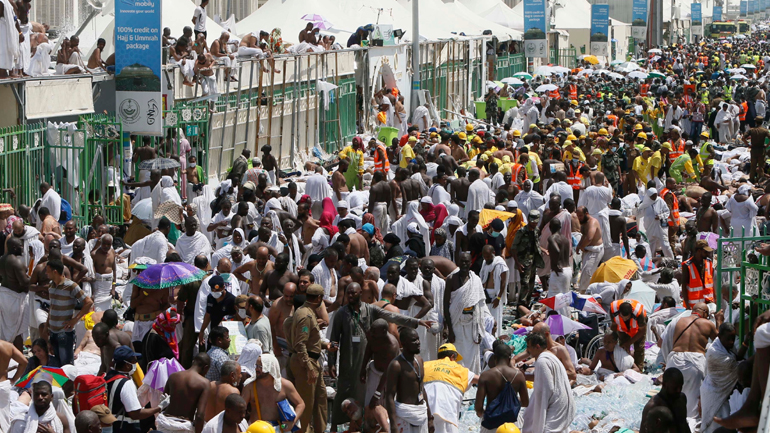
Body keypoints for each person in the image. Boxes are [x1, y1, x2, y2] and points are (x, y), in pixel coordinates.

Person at [288, 284, 335, 433]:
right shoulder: (305, 315)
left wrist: (326, 345)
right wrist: (309, 367)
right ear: (319, 298)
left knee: (321, 400)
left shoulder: (308, 312)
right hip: (306, 364)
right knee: (306, 405)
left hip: (313, 362)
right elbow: (300, 344)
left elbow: (310, 341)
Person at [667, 302, 722, 424]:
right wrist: (719, 321)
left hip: (674, 359)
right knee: (691, 409)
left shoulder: (679, 321)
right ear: (705, 313)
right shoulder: (707, 323)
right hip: (694, 362)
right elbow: (720, 342)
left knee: (671, 397)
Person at [444, 252, 490, 374]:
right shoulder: (451, 279)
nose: (464, 264)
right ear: (458, 262)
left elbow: (480, 305)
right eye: (462, 261)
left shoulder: (476, 280)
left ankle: (471, 379)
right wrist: (449, 329)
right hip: (456, 322)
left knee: (472, 353)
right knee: (457, 353)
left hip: (472, 324)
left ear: (471, 263)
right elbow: (445, 304)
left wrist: (480, 329)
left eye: (467, 262)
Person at [521, 332, 575, 433]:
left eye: (529, 347)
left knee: (548, 430)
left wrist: (540, 406)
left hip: (556, 403)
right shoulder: (550, 356)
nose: (527, 350)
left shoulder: (543, 361)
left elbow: (548, 387)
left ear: (537, 346)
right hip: (561, 400)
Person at [700, 322, 749, 433]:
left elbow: (736, 358)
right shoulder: (715, 352)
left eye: (733, 338)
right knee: (713, 426)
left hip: (724, 394)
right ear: (719, 337)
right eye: (728, 339)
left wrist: (745, 343)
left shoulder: (726, 347)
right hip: (714, 392)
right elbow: (737, 367)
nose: (731, 342)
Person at [384, 327, 433, 433]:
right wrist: (393, 425)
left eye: (418, 339)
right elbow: (389, 396)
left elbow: (422, 389)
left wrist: (430, 418)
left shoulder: (419, 360)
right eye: (414, 340)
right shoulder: (396, 365)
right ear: (404, 344)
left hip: (421, 413)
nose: (418, 342)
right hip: (405, 415)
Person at [423, 343, 478, 433]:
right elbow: (482, 380)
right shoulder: (459, 369)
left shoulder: (425, 365)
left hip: (426, 411)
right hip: (447, 412)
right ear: (452, 356)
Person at [47, 259, 93, 365]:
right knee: (56, 365)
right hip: (52, 332)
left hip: (64, 333)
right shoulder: (51, 285)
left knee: (66, 366)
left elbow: (89, 302)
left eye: (48, 271)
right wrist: (46, 327)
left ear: (55, 272)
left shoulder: (71, 286)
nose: (46, 273)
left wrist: (75, 320)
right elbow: (52, 307)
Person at [106, 346, 161, 433]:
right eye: (134, 361)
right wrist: (159, 407)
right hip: (123, 429)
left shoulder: (108, 377)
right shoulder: (126, 384)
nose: (136, 364)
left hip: (110, 428)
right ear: (127, 365)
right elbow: (135, 414)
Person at [241, 353, 305, 429]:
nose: (256, 369)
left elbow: (300, 404)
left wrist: (293, 422)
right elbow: (240, 407)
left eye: (260, 367)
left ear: (270, 367)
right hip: (257, 428)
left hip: (280, 428)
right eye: (256, 366)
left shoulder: (285, 385)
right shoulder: (250, 386)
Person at [476, 342, 528, 433]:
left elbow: (478, 407)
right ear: (509, 358)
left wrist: (484, 414)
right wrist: (512, 401)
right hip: (513, 424)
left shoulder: (485, 376)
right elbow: (525, 402)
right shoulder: (519, 375)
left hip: (491, 423)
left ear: (495, 358)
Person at [158, 352, 211, 433]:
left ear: (193, 362)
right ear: (206, 368)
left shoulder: (173, 376)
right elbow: (200, 415)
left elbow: (164, 403)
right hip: (183, 427)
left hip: (164, 423)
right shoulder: (204, 383)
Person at [0, 237, 31, 349]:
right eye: (20, 246)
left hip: (3, 296)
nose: (22, 248)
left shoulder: (2, 259)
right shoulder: (16, 261)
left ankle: (5, 357)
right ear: (14, 247)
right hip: (15, 299)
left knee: (5, 329)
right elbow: (24, 283)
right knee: (18, 331)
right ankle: (18, 359)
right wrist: (34, 278)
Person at [639, 368, 690, 433]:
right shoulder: (652, 406)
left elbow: (684, 425)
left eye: (681, 387)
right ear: (664, 385)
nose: (679, 390)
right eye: (675, 388)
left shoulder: (681, 398)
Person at [511, 210, 543, 307]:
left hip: (533, 261)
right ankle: (521, 306)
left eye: (535, 222)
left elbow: (536, 244)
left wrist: (543, 250)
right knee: (524, 284)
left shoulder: (536, 230)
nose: (534, 223)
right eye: (532, 221)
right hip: (523, 262)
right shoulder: (521, 232)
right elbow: (513, 248)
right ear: (528, 219)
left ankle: (527, 305)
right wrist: (517, 263)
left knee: (531, 284)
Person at [609, 299, 647, 371]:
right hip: (622, 327)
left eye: (626, 317)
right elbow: (614, 325)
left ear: (631, 313)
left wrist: (629, 343)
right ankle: (624, 366)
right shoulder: (613, 310)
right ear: (619, 312)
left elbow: (642, 331)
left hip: (637, 328)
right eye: (622, 317)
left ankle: (639, 369)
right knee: (623, 346)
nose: (624, 319)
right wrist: (613, 338)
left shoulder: (639, 314)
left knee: (639, 347)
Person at [480, 245, 508, 336]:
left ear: (493, 253)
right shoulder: (485, 262)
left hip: (495, 296)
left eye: (488, 256)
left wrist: (499, 297)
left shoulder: (500, 263)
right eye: (484, 256)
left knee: (494, 320)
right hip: (485, 295)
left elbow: (503, 282)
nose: (486, 258)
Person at [638, 188, 674, 258]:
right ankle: (652, 262)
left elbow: (667, 211)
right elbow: (639, 214)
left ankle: (671, 260)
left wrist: (660, 216)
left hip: (660, 227)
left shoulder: (660, 200)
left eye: (655, 195)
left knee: (665, 245)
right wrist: (636, 208)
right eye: (652, 196)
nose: (654, 197)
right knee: (651, 246)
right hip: (650, 227)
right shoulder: (645, 204)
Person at [575, 206, 604, 292]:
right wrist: (579, 245)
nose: (579, 218)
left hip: (595, 250)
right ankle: (585, 290)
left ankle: (584, 292)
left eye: (580, 216)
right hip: (587, 249)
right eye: (578, 216)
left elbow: (589, 238)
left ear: (586, 214)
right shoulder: (583, 223)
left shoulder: (592, 222)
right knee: (585, 271)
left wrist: (582, 246)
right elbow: (584, 235)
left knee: (587, 272)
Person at [682, 240, 716, 308]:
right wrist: (688, 306)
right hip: (694, 306)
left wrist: (715, 299)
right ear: (699, 251)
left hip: (709, 303)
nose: (707, 254)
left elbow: (712, 283)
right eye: (705, 252)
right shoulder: (687, 265)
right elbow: (684, 287)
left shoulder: (709, 262)